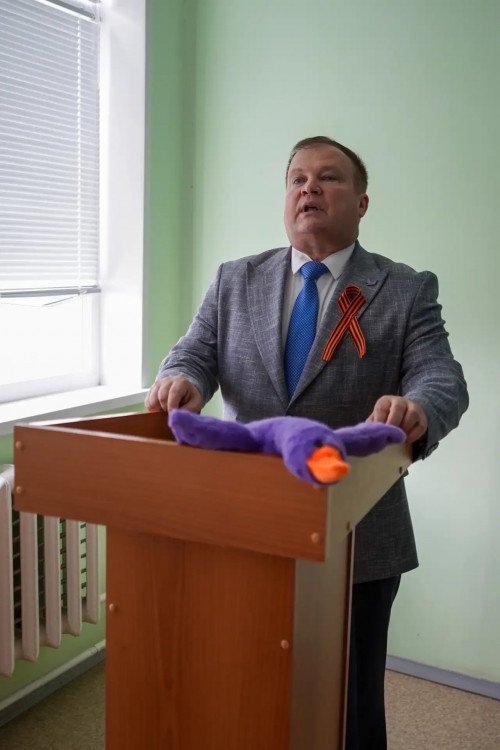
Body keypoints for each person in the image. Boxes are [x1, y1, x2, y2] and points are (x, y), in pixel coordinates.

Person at [145, 136, 469, 749]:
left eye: (328, 177)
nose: (309, 188)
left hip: (358, 533)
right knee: (245, 688)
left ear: (362, 203)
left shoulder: (404, 289)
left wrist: (419, 408)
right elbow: (194, 352)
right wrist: (181, 378)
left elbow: (442, 378)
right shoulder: (235, 279)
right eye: (297, 178)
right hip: (247, 523)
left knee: (349, 707)